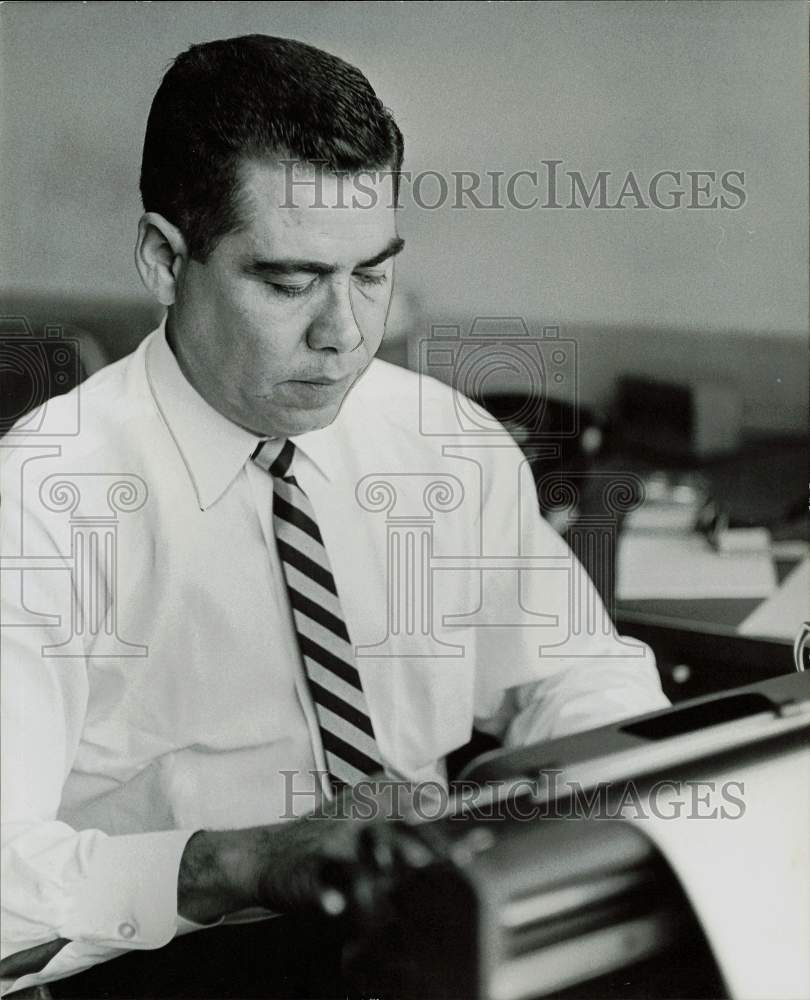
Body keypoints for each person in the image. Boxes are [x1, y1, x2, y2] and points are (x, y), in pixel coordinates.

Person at [0, 34, 668, 997]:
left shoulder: (445, 440)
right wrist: (235, 862)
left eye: (370, 273)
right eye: (290, 281)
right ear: (162, 258)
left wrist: (600, 792)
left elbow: (575, 676)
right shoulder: (45, 498)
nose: (346, 334)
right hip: (165, 960)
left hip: (423, 937)